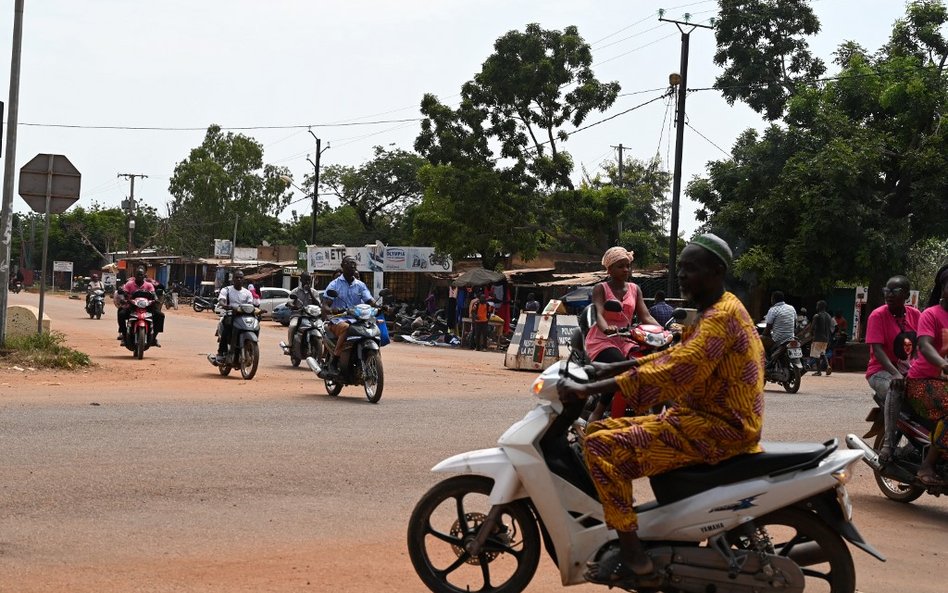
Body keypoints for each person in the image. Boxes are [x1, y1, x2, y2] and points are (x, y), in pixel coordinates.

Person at [558, 234, 764, 586]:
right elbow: (671, 356)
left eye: (691, 269)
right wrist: (608, 369)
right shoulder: (713, 310)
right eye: (680, 268)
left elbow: (675, 370)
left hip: (717, 428)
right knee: (596, 431)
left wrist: (592, 387)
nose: (682, 276)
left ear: (717, 271)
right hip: (701, 418)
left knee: (600, 447)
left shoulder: (721, 318)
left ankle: (633, 555)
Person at [905, 264, 948, 486]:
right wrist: (943, 364)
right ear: (943, 288)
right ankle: (927, 466)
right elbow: (925, 345)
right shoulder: (931, 314)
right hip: (922, 382)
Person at [320, 256, 379, 376]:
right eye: (349, 263)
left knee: (373, 328)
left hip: (358, 319)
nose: (352, 266)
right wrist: (332, 310)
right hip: (338, 320)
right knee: (347, 328)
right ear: (342, 266)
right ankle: (335, 361)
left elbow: (370, 300)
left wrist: (379, 306)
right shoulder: (334, 284)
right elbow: (325, 305)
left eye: (354, 264)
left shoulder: (360, 285)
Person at [865, 275, 920, 402]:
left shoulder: (916, 314)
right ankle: (891, 423)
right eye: (887, 291)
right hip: (881, 371)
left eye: (895, 291)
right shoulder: (877, 315)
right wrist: (895, 373)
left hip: (909, 371)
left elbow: (921, 345)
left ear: (906, 295)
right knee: (895, 390)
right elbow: (877, 350)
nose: (889, 295)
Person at [212, 270, 258, 364]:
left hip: (244, 316)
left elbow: (250, 304)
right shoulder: (226, 290)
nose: (239, 279)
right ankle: (221, 353)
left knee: (256, 324)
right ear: (233, 279)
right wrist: (224, 304)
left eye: (241, 278)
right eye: (236, 277)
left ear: (243, 280)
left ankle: (250, 346)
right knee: (227, 329)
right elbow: (221, 300)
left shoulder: (247, 293)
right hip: (230, 315)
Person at [117, 267, 165, 346]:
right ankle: (124, 335)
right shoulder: (129, 284)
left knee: (160, 315)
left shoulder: (149, 285)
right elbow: (123, 292)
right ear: (135, 275)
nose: (139, 276)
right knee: (121, 313)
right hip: (132, 306)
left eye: (141, 275)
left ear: (144, 276)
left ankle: (154, 337)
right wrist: (123, 299)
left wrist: (156, 299)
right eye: (138, 275)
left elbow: (153, 293)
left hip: (147, 307)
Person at [287, 273, 320, 346]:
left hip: (311, 316)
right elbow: (289, 302)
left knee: (320, 326)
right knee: (293, 326)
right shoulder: (295, 291)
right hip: (298, 315)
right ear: (301, 280)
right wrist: (293, 306)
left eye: (309, 280)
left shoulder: (314, 292)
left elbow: (318, 304)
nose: (308, 282)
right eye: (306, 280)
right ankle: (290, 345)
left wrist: (310, 292)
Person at [763, 291, 796, 363]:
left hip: (778, 340)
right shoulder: (791, 308)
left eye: (771, 298)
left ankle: (766, 360)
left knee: (759, 338)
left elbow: (768, 329)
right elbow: (794, 322)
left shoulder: (773, 310)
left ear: (774, 299)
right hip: (791, 337)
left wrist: (763, 335)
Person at [809, 300, 833, 376]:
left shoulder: (817, 316)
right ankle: (828, 366)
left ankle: (818, 371)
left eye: (817, 305)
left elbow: (812, 328)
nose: (816, 307)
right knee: (822, 352)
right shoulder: (829, 316)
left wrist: (811, 335)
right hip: (826, 338)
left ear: (819, 307)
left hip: (818, 337)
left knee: (816, 354)